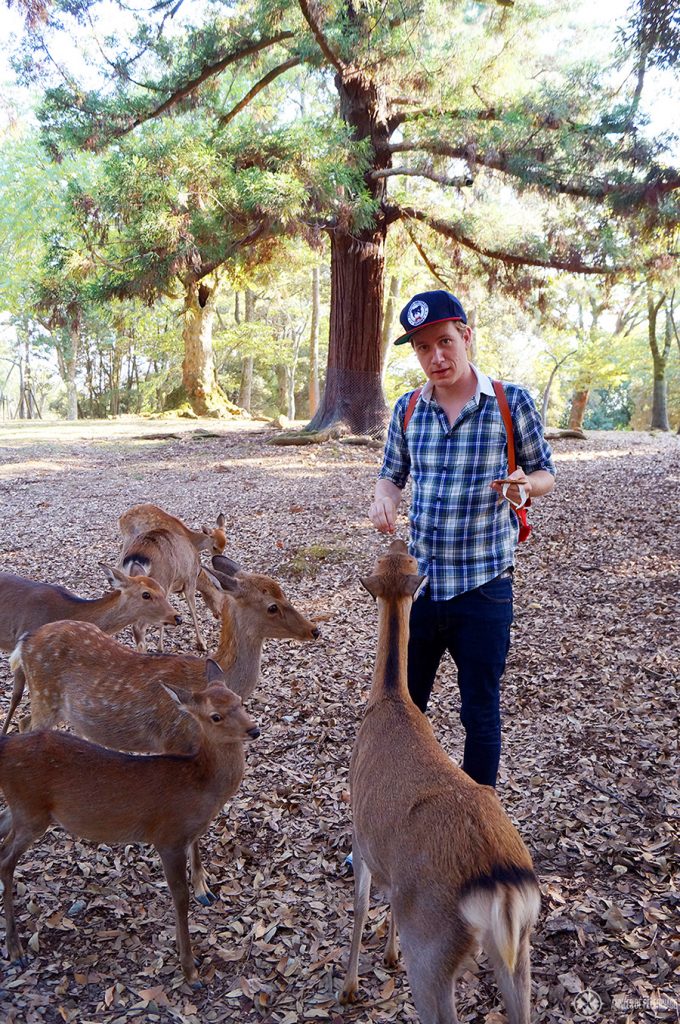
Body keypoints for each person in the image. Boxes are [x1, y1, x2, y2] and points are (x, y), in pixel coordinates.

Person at [369, 289, 555, 788]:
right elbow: (391, 476)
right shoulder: (408, 410)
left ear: (466, 336)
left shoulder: (510, 402)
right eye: (424, 348)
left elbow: (544, 473)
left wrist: (524, 484)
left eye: (445, 342)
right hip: (420, 592)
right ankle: (397, 820)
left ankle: (480, 824)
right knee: (405, 712)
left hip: (485, 587)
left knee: (481, 713)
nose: (437, 357)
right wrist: (383, 498)